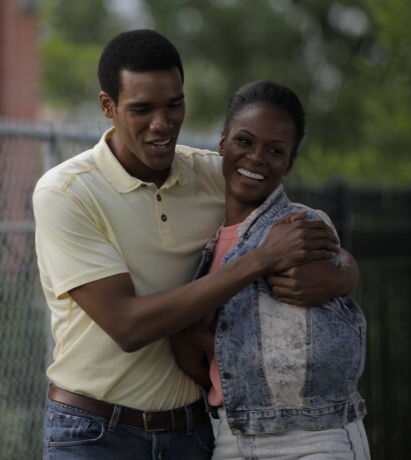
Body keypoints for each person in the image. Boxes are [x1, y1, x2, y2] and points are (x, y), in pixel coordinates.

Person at [33, 29, 358, 459]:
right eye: (142, 109)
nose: (162, 124)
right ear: (107, 107)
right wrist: (259, 260)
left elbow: (300, 231)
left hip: (191, 433)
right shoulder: (67, 193)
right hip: (95, 433)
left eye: (174, 104)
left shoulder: (213, 175)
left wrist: (344, 273)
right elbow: (127, 326)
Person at [171, 80, 369, 459]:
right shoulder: (204, 243)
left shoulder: (299, 228)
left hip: (313, 437)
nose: (257, 157)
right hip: (233, 437)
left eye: (275, 150)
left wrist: (344, 272)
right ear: (223, 141)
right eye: (245, 141)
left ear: (289, 162)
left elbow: (332, 345)